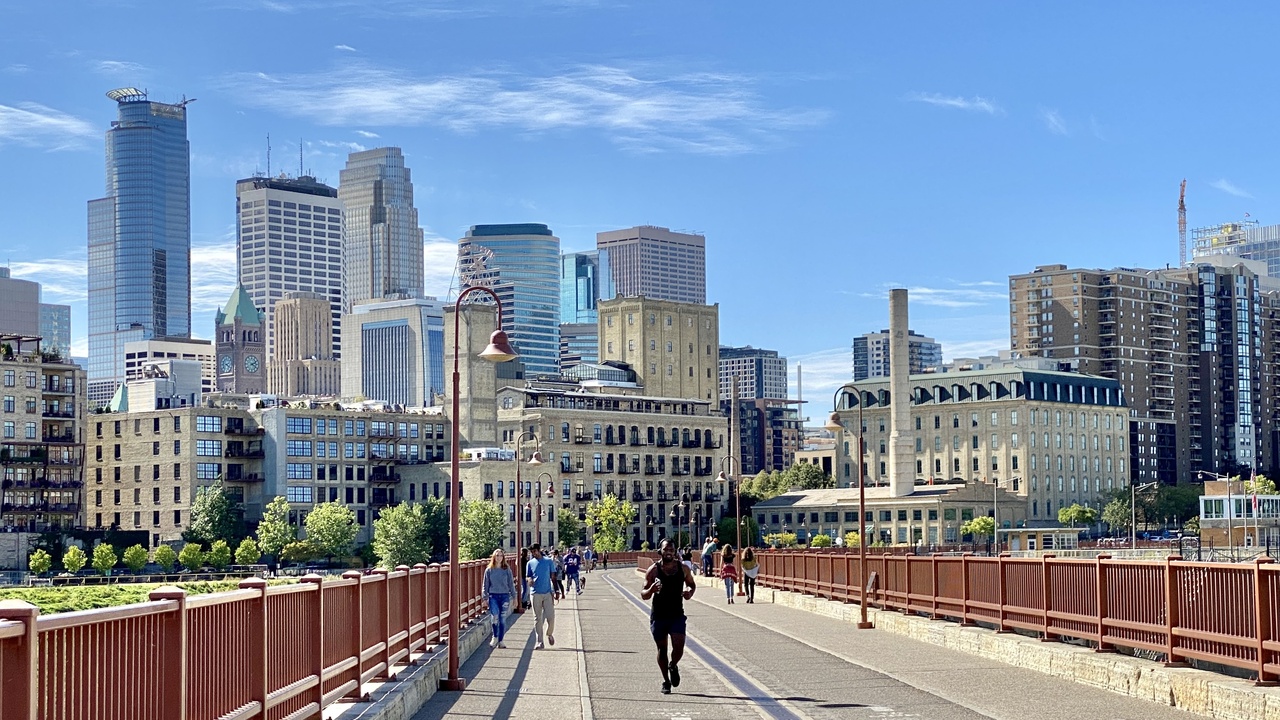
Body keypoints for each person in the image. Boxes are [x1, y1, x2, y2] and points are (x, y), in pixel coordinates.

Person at [641, 538, 696, 694]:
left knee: (679, 646)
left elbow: (692, 584)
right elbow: (643, 594)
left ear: (675, 551)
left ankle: (673, 665)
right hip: (659, 615)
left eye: (671, 550)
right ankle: (666, 681)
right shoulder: (653, 570)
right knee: (662, 649)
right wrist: (651, 590)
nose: (669, 553)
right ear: (660, 551)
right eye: (666, 550)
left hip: (677, 614)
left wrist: (689, 593)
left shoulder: (683, 569)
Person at [525, 544, 560, 649]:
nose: (534, 553)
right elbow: (527, 576)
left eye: (535, 551)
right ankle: (540, 641)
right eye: (532, 552)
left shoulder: (548, 561)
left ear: (539, 550)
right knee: (537, 618)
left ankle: (549, 633)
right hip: (535, 593)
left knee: (551, 617)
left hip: (547, 593)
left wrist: (556, 590)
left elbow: (553, 576)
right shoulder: (530, 563)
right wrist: (529, 579)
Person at [483, 549, 517, 648]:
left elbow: (511, 584)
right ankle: (495, 637)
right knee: (495, 617)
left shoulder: (507, 569)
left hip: (504, 596)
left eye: (501, 556)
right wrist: (485, 598)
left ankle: (501, 640)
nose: (499, 557)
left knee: (502, 619)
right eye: (497, 555)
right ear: (494, 557)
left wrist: (514, 597)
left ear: (503, 557)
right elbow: (485, 584)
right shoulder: (489, 570)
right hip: (493, 596)